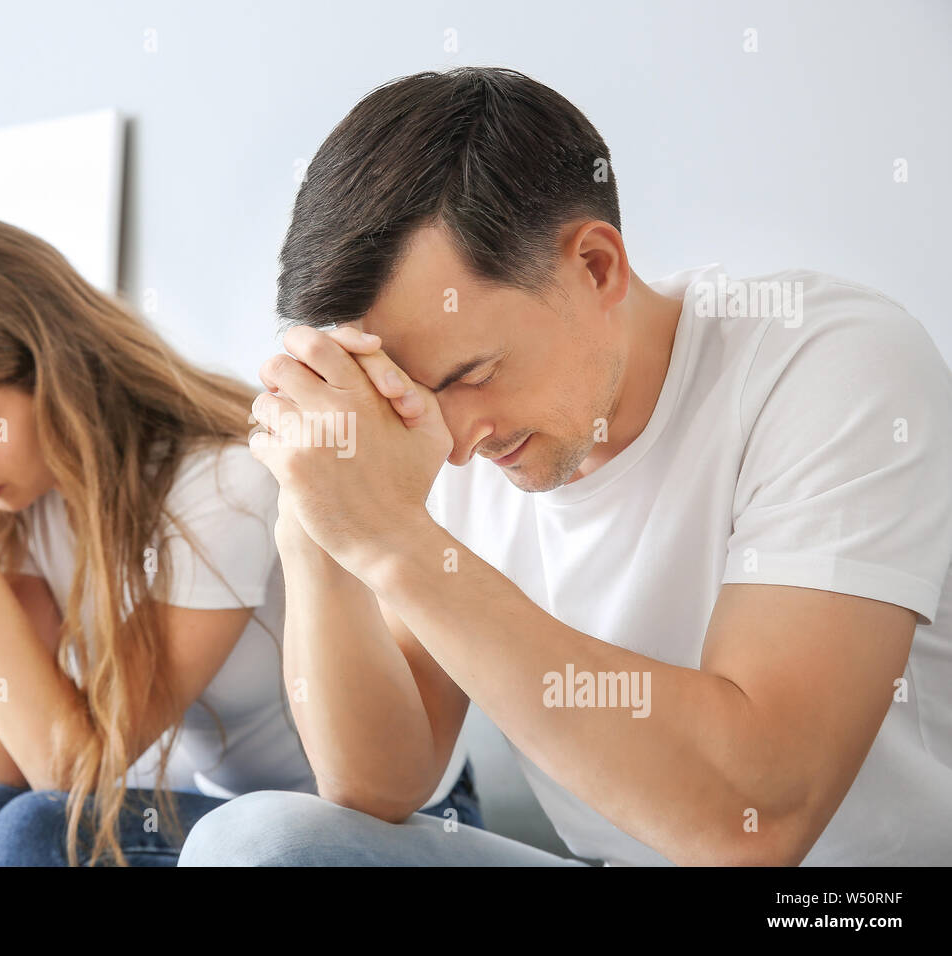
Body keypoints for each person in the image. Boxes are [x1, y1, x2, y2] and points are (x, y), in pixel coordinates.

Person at [178, 67, 952, 866]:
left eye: (473, 373)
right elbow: (380, 784)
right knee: (262, 842)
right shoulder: (438, 437)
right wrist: (317, 522)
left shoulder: (832, 364)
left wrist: (391, 539)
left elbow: (757, 818)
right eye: (411, 394)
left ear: (595, 266)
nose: (455, 443)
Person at [0, 213, 485, 866]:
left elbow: (70, 770)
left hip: (382, 826)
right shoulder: (25, 503)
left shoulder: (219, 486)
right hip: (233, 814)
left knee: (44, 832)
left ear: (60, 375)